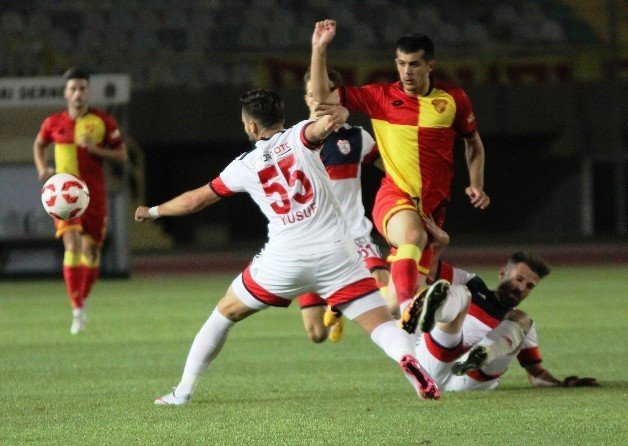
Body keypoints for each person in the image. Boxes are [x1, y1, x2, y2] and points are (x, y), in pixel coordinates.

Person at [135, 89, 440, 404]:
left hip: (284, 261)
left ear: (251, 127)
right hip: (336, 256)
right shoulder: (301, 136)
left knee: (223, 314)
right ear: (280, 116)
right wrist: (341, 109)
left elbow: (194, 200)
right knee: (381, 325)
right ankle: (408, 360)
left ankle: (182, 392)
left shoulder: (244, 165)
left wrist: (153, 211)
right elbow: (327, 123)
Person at [310, 19, 490, 320]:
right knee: (412, 237)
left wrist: (477, 183)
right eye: (402, 63)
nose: (407, 71)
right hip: (395, 197)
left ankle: (355, 297)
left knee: (393, 306)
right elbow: (322, 96)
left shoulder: (453, 100)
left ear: (430, 65)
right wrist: (319, 49)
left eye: (415, 64)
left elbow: (473, 143)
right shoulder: (379, 97)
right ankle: (412, 306)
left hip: (432, 209)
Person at [404, 247, 600, 391]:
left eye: (529, 286)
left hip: (469, 381)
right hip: (434, 360)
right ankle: (433, 313)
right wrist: (438, 242)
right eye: (519, 279)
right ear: (502, 272)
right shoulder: (474, 284)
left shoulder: (522, 325)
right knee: (461, 292)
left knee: (523, 320)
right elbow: (428, 267)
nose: (521, 288)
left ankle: (481, 355)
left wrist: (562, 384)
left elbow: (535, 373)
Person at [297, 68, 391, 344]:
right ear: (306, 98)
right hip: (309, 242)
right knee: (317, 333)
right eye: (313, 94)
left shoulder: (357, 138)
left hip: (353, 234)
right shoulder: (292, 141)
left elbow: (390, 167)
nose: (319, 99)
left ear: (338, 98)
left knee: (384, 283)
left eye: (325, 93)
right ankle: (336, 302)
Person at [33, 67, 128, 334]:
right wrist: (43, 168)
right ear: (66, 93)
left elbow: (121, 155)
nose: (78, 93)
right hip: (64, 197)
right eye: (73, 88)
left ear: (88, 91)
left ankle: (81, 301)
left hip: (93, 195)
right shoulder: (53, 123)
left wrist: (94, 149)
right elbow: (39, 144)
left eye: (82, 88)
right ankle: (76, 309)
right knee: (72, 244)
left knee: (91, 251)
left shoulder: (103, 122)